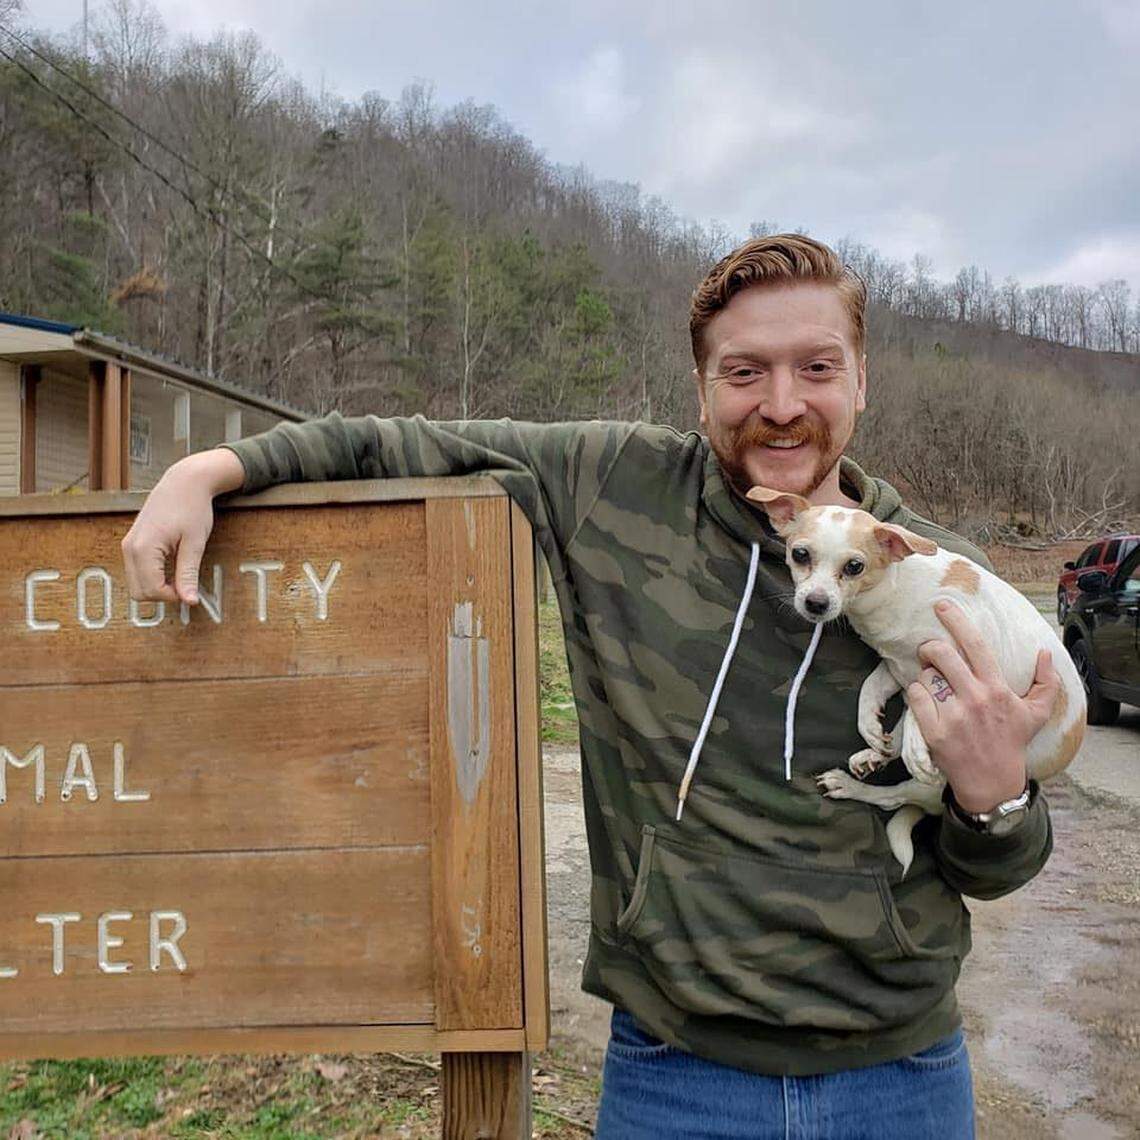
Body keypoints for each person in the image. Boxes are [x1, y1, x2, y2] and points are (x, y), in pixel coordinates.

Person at [122, 234, 1060, 1139]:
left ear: (861, 380)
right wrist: (212, 468)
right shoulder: (612, 487)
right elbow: (403, 441)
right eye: (744, 373)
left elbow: (1004, 866)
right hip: (674, 1075)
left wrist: (994, 800)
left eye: (817, 368)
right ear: (701, 388)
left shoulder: (942, 582)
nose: (781, 404)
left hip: (897, 1079)